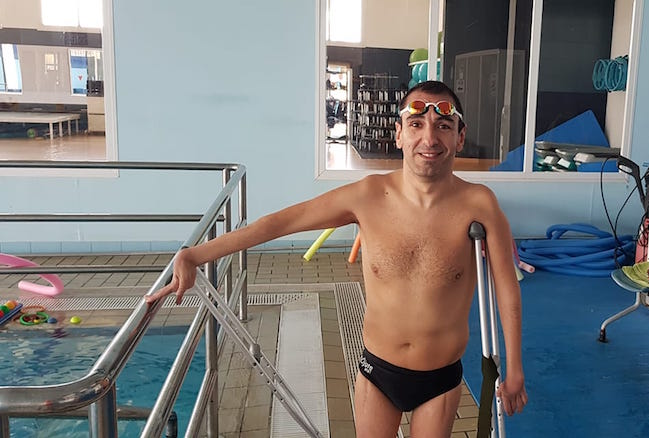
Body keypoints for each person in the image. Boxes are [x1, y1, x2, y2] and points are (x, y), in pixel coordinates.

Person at [146, 80, 527, 437]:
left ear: (459, 137)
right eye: (416, 124)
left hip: (440, 378)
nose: (429, 138)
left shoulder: (479, 204)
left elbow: (507, 291)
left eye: (443, 126)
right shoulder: (368, 195)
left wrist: (514, 371)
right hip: (378, 371)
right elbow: (279, 223)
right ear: (399, 134)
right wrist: (195, 254)